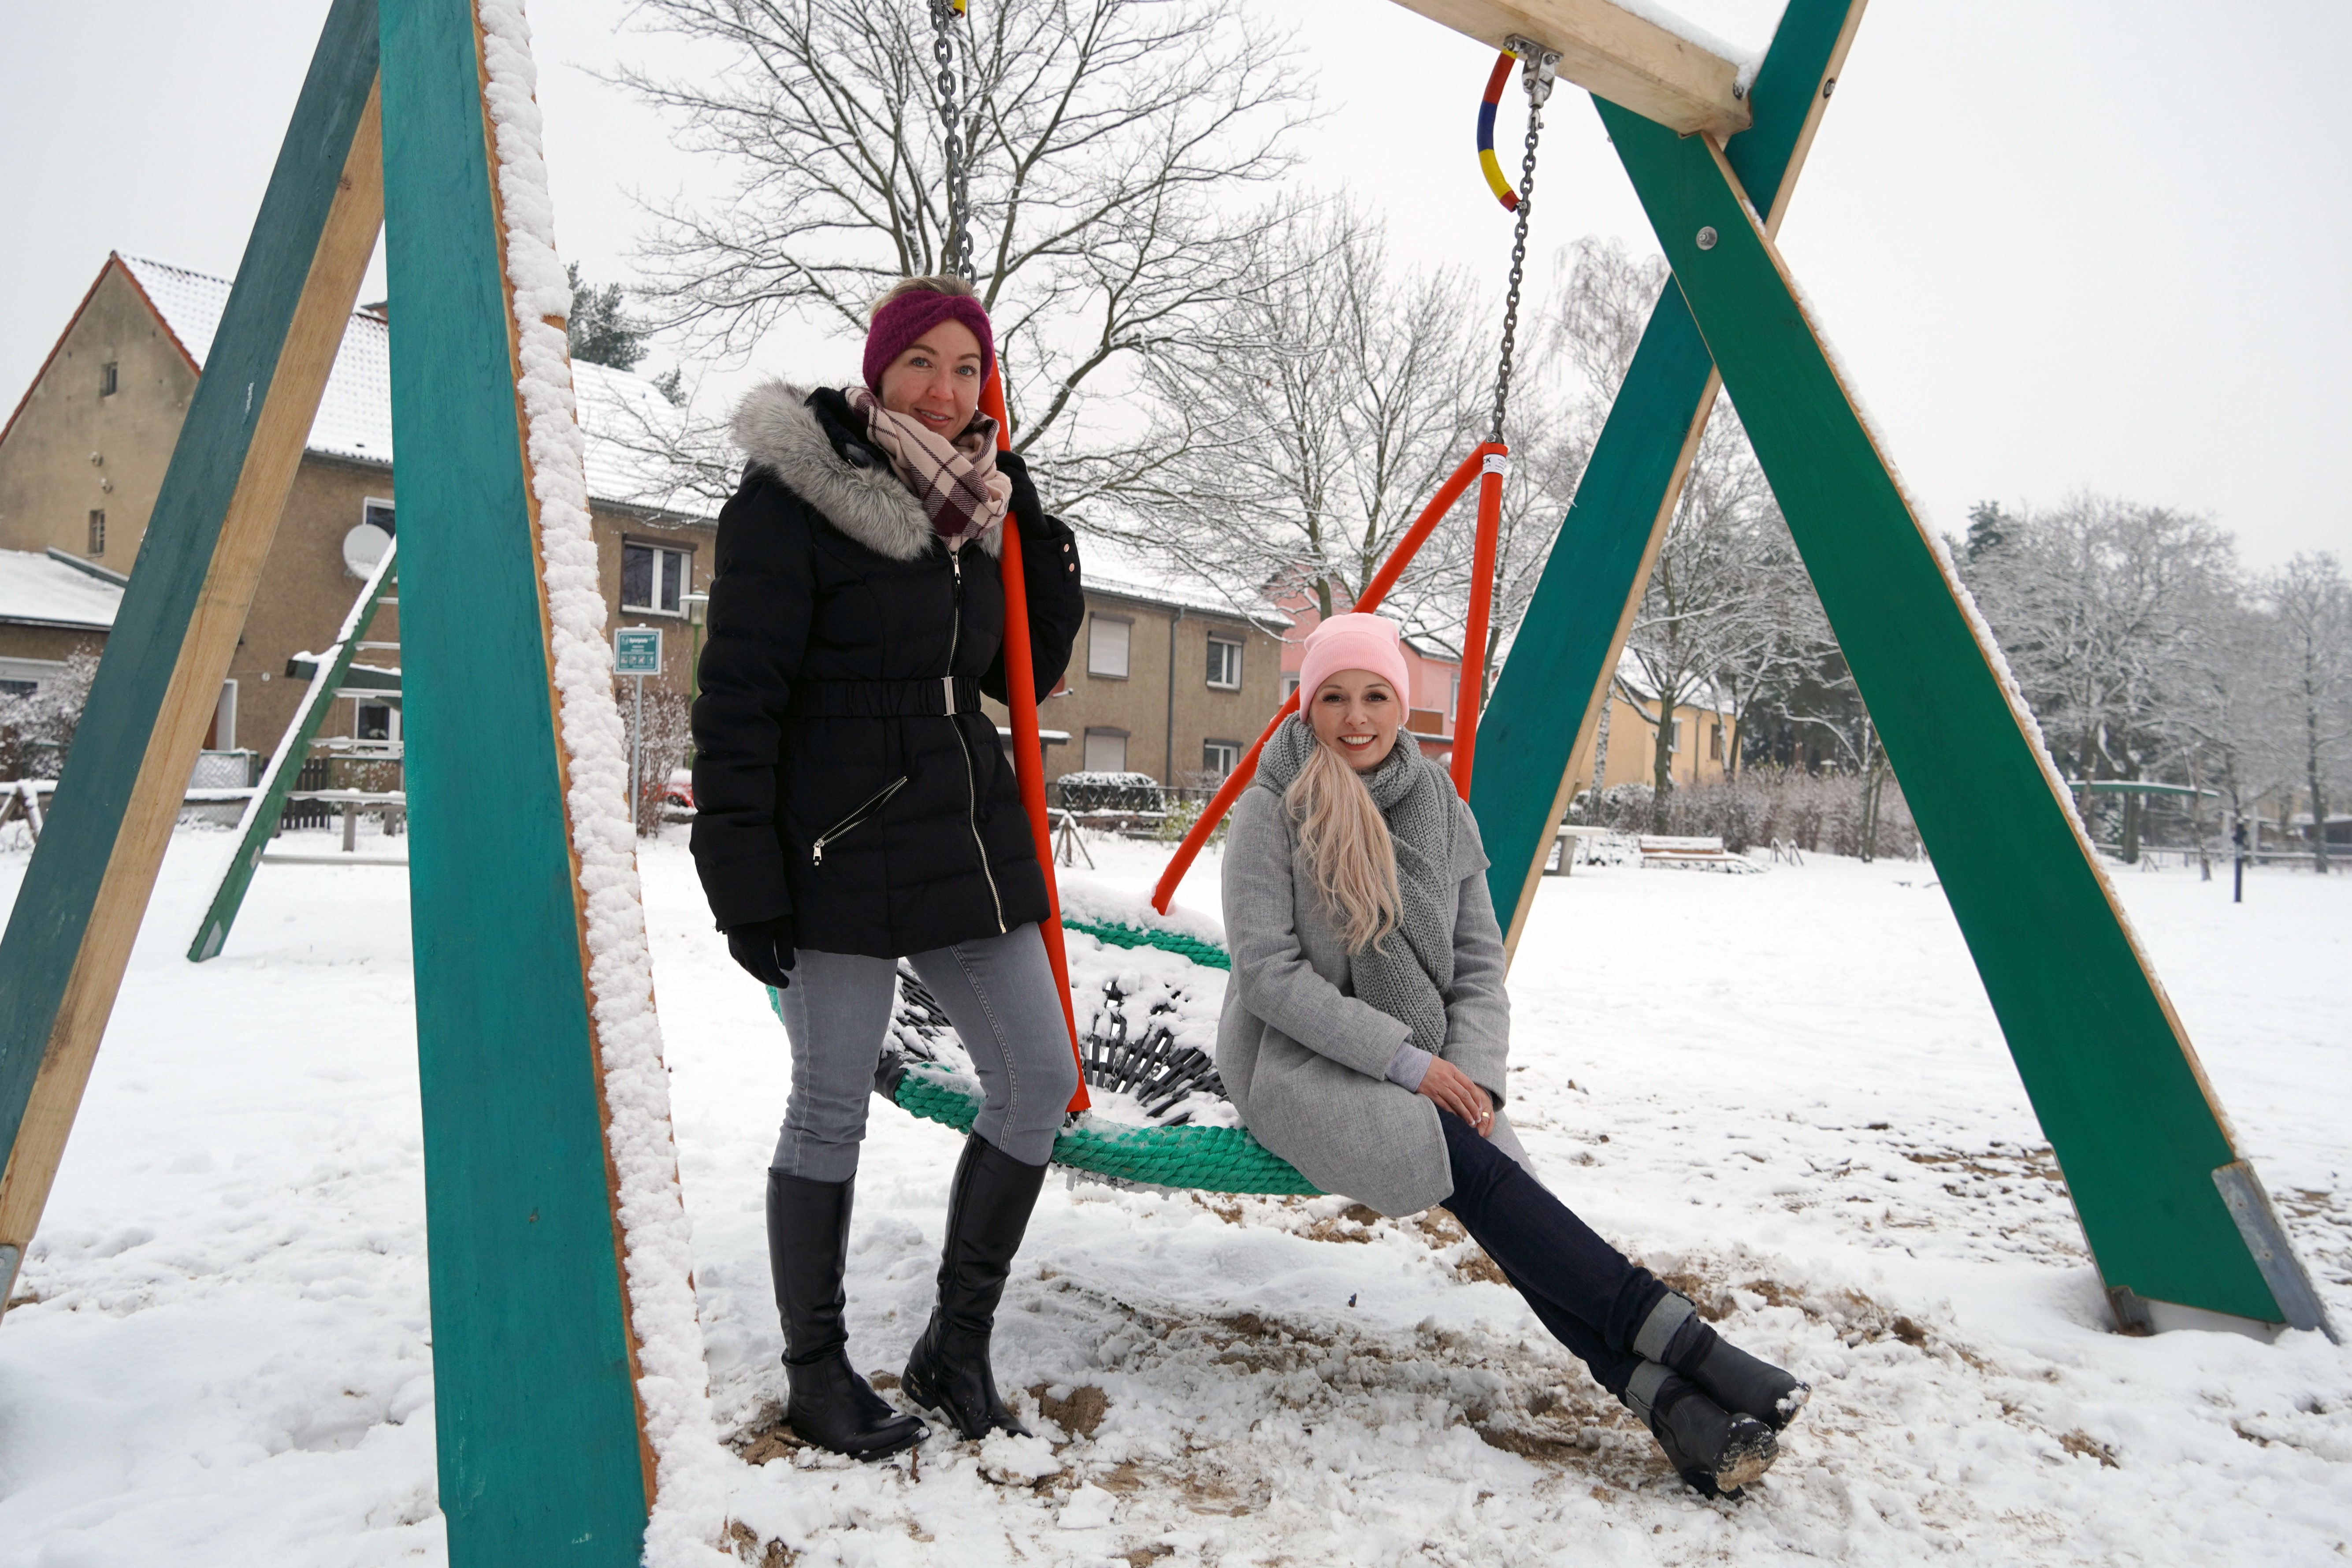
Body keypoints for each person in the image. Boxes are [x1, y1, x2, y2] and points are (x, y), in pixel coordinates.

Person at [1217, 613, 1807, 1497]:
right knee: (1484, 1174)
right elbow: (1268, 977)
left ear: (1402, 703)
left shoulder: (1439, 808)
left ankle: (1677, 1410)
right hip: (1296, 1065)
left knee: (1501, 1195)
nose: (1354, 718)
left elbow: (1479, 966)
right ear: (1306, 705)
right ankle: (1688, 1344)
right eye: (1332, 696)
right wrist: (1412, 1068)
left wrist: (1474, 1077)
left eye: (1375, 695)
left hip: (1428, 1063)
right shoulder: (1270, 808)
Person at [690, 275, 1085, 1460]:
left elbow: (1021, 668)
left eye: (969, 370)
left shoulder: (976, 504)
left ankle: (953, 1346)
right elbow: (739, 697)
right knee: (828, 1099)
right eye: (925, 363)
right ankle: (817, 1371)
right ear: (880, 371)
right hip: (836, 837)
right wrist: (741, 871)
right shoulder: (795, 494)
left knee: (1038, 1075)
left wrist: (1045, 544)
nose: (947, 389)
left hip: (962, 827)